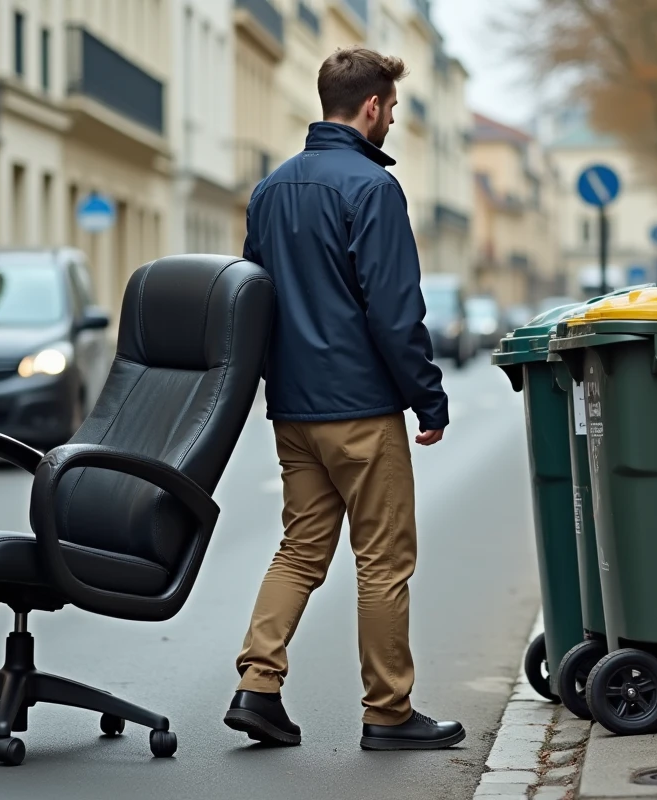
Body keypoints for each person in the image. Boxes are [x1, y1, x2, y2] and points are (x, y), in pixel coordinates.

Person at [223, 46, 464, 752]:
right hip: (360, 409)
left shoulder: (270, 190)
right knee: (384, 561)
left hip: (296, 412)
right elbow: (394, 311)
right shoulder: (372, 188)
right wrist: (429, 398)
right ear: (371, 107)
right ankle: (388, 711)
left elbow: (253, 300)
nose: (391, 118)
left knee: (300, 550)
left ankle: (257, 686)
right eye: (390, 107)